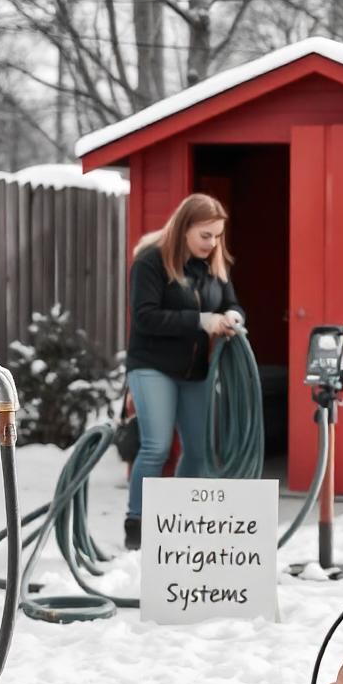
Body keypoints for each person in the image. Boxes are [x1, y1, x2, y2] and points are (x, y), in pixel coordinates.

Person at [123, 193, 245, 549]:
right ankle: (138, 526)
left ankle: (177, 521)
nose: (213, 243)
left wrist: (234, 317)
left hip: (194, 370)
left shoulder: (214, 267)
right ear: (184, 228)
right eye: (206, 235)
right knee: (156, 447)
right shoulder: (151, 262)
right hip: (152, 366)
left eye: (217, 235)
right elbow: (144, 317)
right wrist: (202, 320)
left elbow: (231, 303)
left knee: (198, 450)